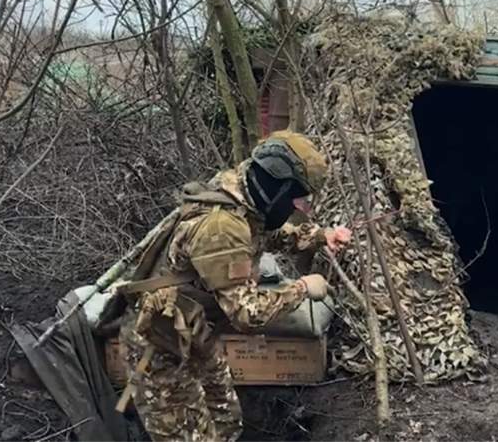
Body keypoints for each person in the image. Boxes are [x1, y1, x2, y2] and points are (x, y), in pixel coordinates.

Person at [116, 131, 351, 441]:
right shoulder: (222, 227)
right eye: (297, 199)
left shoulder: (243, 191)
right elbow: (248, 314)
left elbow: (264, 232)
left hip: (195, 333)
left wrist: (319, 236)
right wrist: (303, 288)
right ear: (280, 188)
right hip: (161, 347)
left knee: (226, 421)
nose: (297, 208)